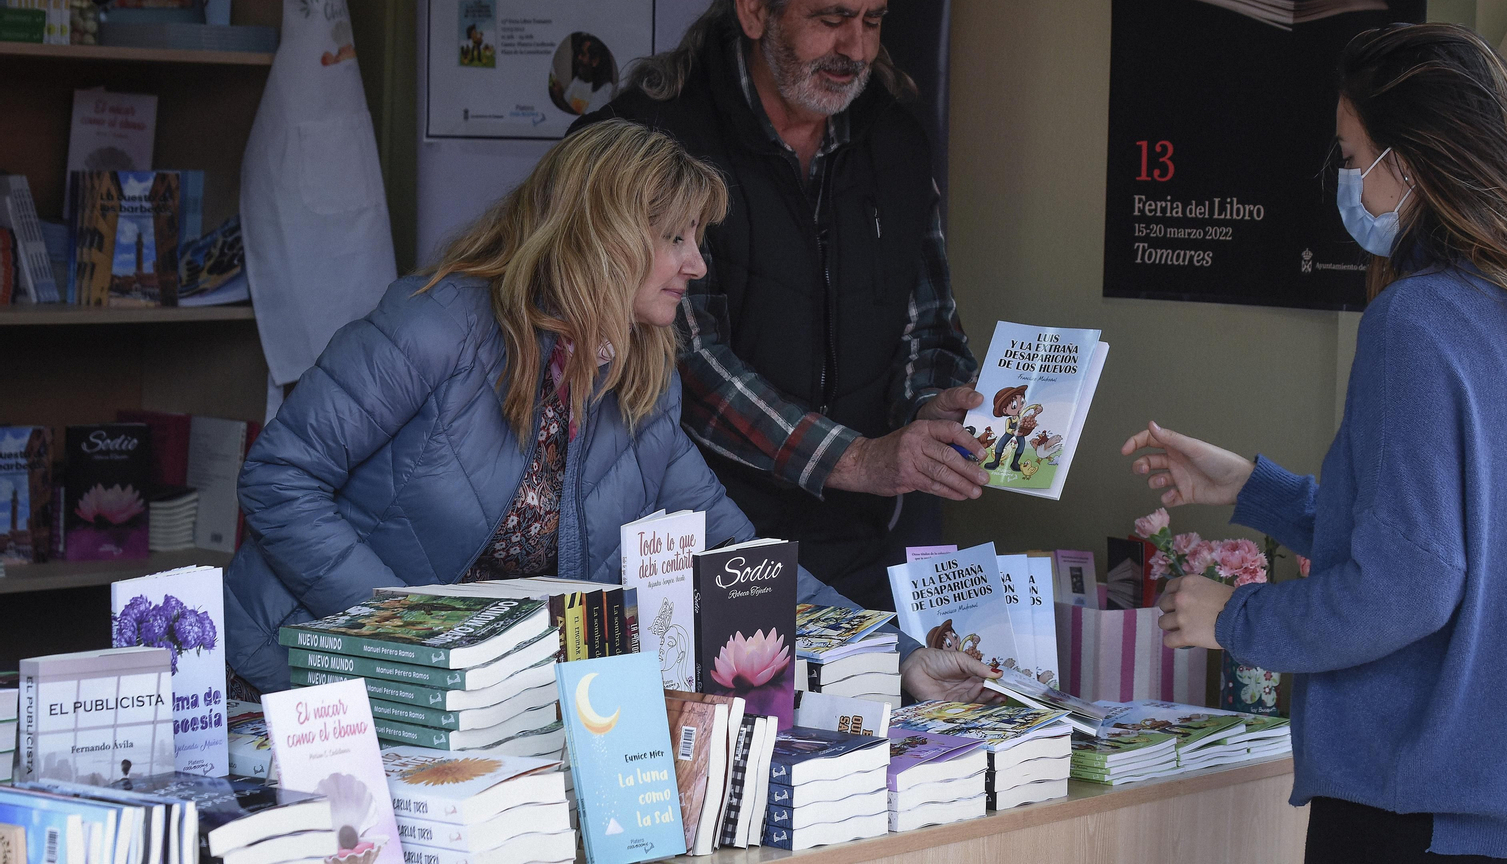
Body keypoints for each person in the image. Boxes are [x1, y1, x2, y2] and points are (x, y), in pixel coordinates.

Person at [222, 119, 996, 704]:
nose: (697, 264)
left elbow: (732, 556)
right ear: (603, 238)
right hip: (297, 679)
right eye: (675, 239)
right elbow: (277, 477)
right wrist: (409, 635)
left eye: (699, 239)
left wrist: (895, 654)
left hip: (466, 705)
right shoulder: (436, 325)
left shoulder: (639, 377)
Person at [1122, 23, 1507, 863]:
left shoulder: (1416, 322)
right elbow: (1454, 538)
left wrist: (1238, 617)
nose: (1346, 181)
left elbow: (1409, 583)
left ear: (1406, 166)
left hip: (1421, 798)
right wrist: (1250, 486)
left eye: (1351, 157)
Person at [573, 0, 986, 608]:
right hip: (693, 541)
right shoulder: (657, 138)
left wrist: (928, 418)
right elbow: (683, 361)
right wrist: (856, 458)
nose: (856, 48)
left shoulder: (892, 138)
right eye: (830, 19)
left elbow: (929, 319)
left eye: (873, 21)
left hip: (859, 541)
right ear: (755, 7)